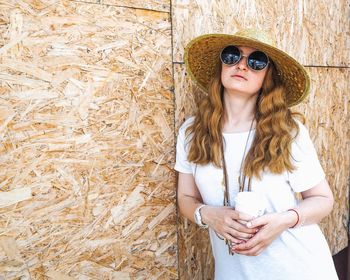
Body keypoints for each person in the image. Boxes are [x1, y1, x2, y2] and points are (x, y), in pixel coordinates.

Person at [175, 28, 338, 280]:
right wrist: (208, 215)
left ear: (267, 77)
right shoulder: (191, 132)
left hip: (300, 269)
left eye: (256, 61)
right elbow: (186, 197)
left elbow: (323, 199)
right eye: (232, 55)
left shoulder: (288, 132)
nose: (241, 65)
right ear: (221, 66)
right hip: (234, 273)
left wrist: (284, 221)